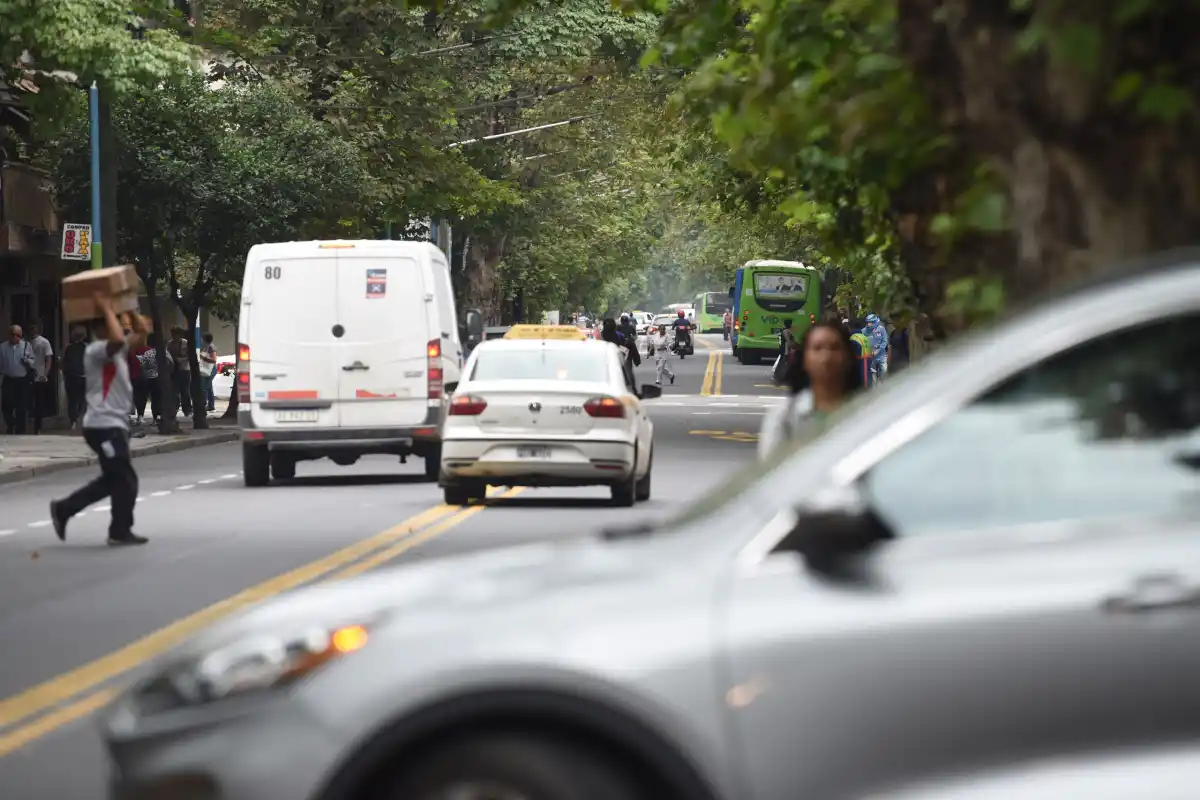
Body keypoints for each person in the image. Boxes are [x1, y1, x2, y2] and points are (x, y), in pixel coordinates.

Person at [50, 296, 150, 547]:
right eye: (114, 323)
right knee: (124, 478)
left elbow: (142, 333)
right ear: (101, 328)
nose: (119, 327)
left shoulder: (116, 350)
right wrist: (107, 308)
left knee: (116, 478)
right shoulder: (97, 351)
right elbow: (117, 339)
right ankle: (118, 530)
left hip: (113, 425)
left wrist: (127, 308)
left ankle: (65, 509)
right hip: (102, 425)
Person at [758, 320, 862, 459]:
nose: (826, 357)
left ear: (848, 357)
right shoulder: (784, 418)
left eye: (834, 348)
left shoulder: (865, 411)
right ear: (805, 359)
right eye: (817, 348)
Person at [0, 324, 35, 434]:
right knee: (6, 405)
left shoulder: (26, 345)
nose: (17, 338)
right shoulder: (2, 347)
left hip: (22, 380)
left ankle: (20, 428)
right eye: (14, 335)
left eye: (19, 335)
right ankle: (11, 424)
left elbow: (33, 361)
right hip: (8, 379)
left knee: (21, 406)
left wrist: (27, 361)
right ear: (10, 335)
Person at [26, 322, 54, 434]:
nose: (32, 331)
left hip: (39, 376)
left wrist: (45, 374)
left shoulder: (44, 342)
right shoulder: (25, 342)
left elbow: (48, 359)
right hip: (27, 375)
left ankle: (37, 427)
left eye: (34, 329)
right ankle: (28, 424)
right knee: (28, 402)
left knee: (38, 402)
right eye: (31, 329)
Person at [63, 327, 89, 430]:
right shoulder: (87, 348)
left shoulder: (68, 348)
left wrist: (65, 372)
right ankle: (80, 418)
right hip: (84, 376)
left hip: (71, 377)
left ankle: (73, 420)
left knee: (72, 400)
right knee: (83, 399)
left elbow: (64, 362)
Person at [167, 326, 192, 416]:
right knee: (174, 391)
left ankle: (187, 410)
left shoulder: (185, 343)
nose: (174, 336)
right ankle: (175, 408)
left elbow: (190, 355)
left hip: (184, 369)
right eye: (172, 334)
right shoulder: (170, 344)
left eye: (175, 334)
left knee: (185, 391)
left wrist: (183, 359)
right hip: (174, 369)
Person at [847, 318, 874, 388]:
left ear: (851, 327)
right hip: (868, 362)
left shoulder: (853, 337)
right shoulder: (865, 336)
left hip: (861, 362)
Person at [864, 313, 889, 380]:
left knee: (884, 373)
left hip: (881, 355)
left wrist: (878, 350)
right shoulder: (864, 331)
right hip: (870, 356)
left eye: (870, 322)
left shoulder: (881, 329)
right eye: (868, 322)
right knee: (872, 375)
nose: (869, 324)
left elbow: (885, 341)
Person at [199, 332, 218, 412]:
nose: (201, 340)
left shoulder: (211, 347)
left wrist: (203, 358)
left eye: (202, 338)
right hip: (207, 369)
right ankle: (211, 405)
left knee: (205, 387)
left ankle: (205, 404)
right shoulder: (206, 347)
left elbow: (214, 360)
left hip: (210, 369)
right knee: (209, 387)